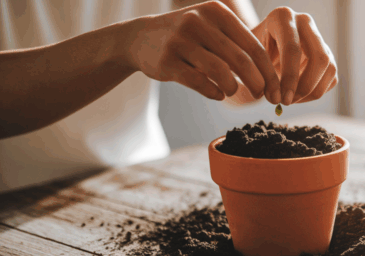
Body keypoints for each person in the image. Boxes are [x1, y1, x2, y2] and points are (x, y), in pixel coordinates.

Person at [0, 0, 337, 193]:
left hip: (140, 179)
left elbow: (240, 79)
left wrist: (270, 56)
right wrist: (122, 45)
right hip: (14, 199)